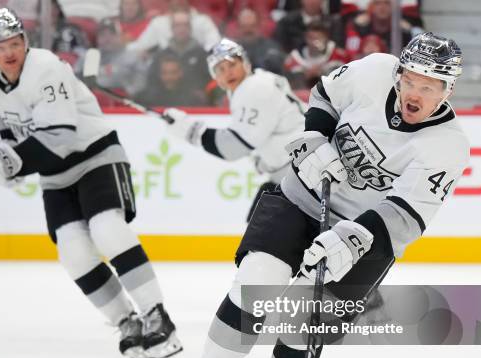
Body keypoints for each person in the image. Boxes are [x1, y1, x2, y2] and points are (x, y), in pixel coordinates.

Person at [161, 32, 467, 358]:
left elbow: (406, 215)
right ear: (397, 73)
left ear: (447, 90)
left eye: (427, 87)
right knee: (255, 285)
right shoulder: (373, 70)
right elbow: (325, 95)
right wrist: (317, 138)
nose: (413, 93)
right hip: (301, 196)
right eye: (409, 80)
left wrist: (354, 238)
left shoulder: (446, 146)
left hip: (366, 236)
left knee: (300, 322)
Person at [0, 8, 183, 358]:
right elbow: (12, 133)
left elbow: (59, 134)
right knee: (73, 252)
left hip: (95, 155)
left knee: (107, 229)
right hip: (56, 175)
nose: (8, 52)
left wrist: (9, 163)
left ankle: (158, 317)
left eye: (14, 43)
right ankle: (127, 322)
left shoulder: (46, 66)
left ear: (25, 41)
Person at [162, 38, 306, 223]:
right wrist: (266, 159)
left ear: (245, 64)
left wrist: (189, 129)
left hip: (304, 179)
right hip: (296, 175)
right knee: (258, 237)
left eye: (232, 64)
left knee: (259, 244)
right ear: (216, 78)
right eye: (220, 69)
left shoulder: (253, 88)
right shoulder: (259, 81)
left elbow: (231, 148)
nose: (228, 72)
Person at [284, 21, 347, 89]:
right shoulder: (294, 58)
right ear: (305, 37)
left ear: (326, 38)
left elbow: (346, 81)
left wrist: (323, 73)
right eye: (311, 38)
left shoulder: (339, 56)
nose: (314, 42)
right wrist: (304, 76)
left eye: (319, 38)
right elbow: (287, 85)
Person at [136, 51, 205, 107]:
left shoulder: (193, 99)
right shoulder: (145, 98)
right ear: (159, 74)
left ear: (180, 73)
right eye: (165, 73)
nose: (169, 77)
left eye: (173, 72)